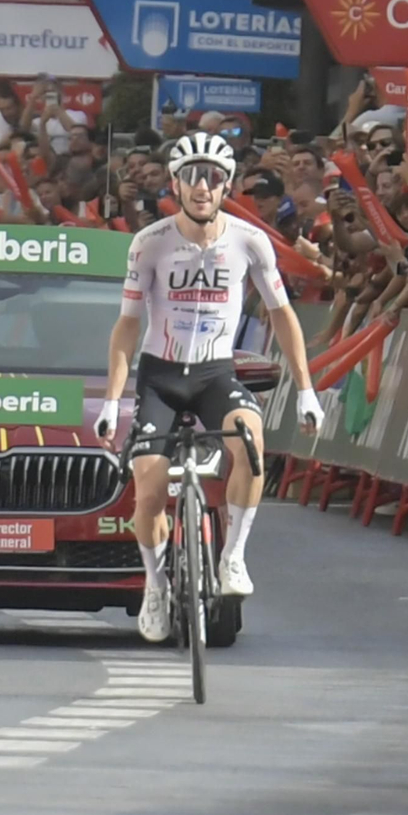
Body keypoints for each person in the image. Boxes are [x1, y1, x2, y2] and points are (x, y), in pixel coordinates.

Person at [94, 132, 325, 642]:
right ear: (175, 184)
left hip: (215, 374)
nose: (203, 187)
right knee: (150, 491)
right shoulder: (150, 242)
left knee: (250, 440)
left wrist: (305, 389)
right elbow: (128, 325)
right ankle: (155, 587)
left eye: (214, 177)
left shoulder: (250, 241)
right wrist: (112, 399)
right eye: (192, 176)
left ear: (227, 186)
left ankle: (233, 556)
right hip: (160, 375)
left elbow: (283, 316)